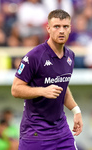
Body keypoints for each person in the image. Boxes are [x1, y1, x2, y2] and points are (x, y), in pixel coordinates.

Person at [11, 9, 83, 150]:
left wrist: (76, 110)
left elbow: (62, 86)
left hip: (61, 132)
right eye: (57, 26)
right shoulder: (34, 56)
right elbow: (15, 89)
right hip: (35, 134)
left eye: (65, 27)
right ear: (48, 28)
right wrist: (43, 91)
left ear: (70, 29)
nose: (61, 31)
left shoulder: (70, 56)